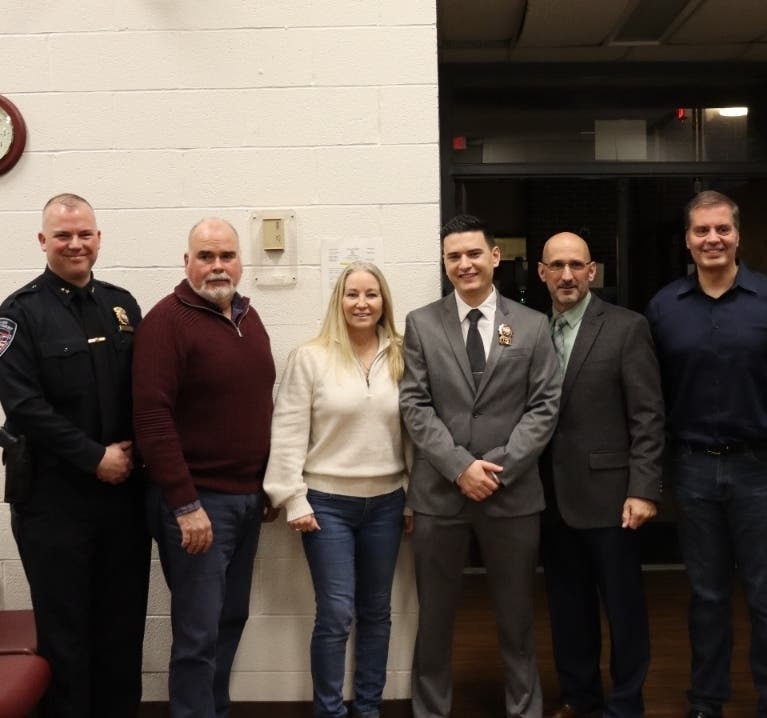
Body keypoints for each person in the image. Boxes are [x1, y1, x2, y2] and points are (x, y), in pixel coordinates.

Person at [646, 190, 767, 718]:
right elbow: (654, 392)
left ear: (738, 235)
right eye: (701, 231)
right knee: (707, 596)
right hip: (692, 466)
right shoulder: (664, 307)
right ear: (687, 241)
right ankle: (707, 700)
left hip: (761, 465)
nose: (712, 239)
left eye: (722, 229)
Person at [399, 214, 561, 718]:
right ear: (445, 264)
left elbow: (544, 407)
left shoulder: (533, 325)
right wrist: (458, 468)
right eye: (454, 256)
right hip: (439, 495)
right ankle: (430, 709)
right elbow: (414, 405)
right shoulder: (422, 323)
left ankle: (524, 707)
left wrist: (495, 468)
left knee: (515, 614)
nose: (464, 264)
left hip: (511, 495)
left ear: (495, 257)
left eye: (474, 254)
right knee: (436, 616)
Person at [0, 193, 149, 718]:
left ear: (99, 238)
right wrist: (93, 457)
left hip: (123, 500)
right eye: (63, 235)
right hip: (53, 503)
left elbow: (144, 392)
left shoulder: (122, 304)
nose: (75, 244)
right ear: (43, 242)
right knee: (67, 635)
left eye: (84, 233)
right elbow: (23, 405)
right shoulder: (18, 315)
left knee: (123, 628)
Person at [132, 218, 276, 718]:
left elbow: (258, 405)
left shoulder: (248, 318)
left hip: (246, 498)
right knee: (197, 632)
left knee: (231, 617)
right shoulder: (166, 321)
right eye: (206, 256)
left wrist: (267, 486)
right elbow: (151, 417)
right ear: (187, 261)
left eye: (227, 256)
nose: (218, 266)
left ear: (240, 261)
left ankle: (214, 708)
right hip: (197, 504)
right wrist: (185, 503)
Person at [263, 261, 411, 718]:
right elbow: (287, 431)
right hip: (326, 507)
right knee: (336, 615)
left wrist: (412, 495)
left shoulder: (406, 355)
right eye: (352, 294)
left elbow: (414, 433)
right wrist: (293, 498)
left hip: (388, 504)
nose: (362, 303)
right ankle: (329, 711)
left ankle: (367, 709)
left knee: (377, 613)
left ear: (384, 299)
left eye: (371, 294)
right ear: (338, 301)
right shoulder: (310, 357)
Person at [536, 232, 665, 718]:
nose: (566, 275)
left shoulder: (626, 328)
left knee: (623, 608)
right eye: (556, 266)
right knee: (568, 608)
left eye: (576, 265)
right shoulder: (529, 329)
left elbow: (648, 414)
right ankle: (579, 696)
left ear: (593, 272)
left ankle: (627, 702)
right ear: (541, 273)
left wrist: (643, 488)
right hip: (549, 495)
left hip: (612, 495)